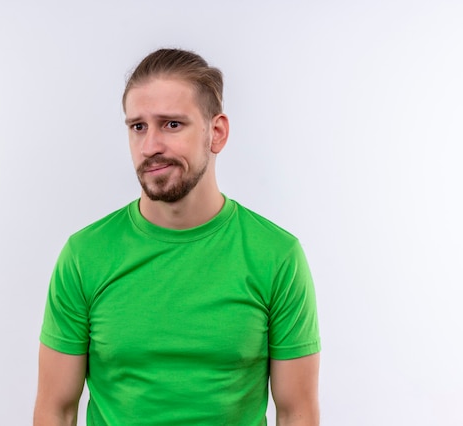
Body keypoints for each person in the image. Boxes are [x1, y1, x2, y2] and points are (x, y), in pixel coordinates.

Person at [33, 48, 321, 426]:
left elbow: (297, 413)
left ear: (216, 133)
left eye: (171, 124)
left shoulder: (276, 256)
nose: (150, 146)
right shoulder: (85, 255)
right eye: (138, 126)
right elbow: (56, 409)